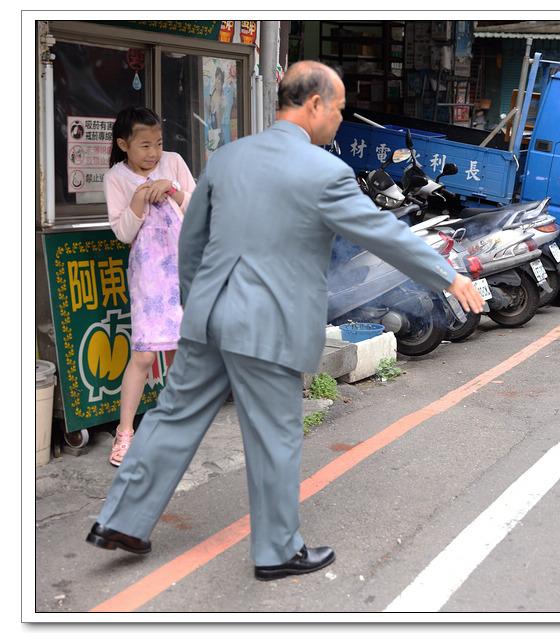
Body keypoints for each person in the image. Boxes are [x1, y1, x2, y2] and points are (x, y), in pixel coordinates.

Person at [86, 61, 486, 581]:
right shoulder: (324, 172)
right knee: (275, 434)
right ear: (314, 105)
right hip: (268, 324)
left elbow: (192, 240)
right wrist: (446, 274)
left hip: (208, 313)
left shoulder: (227, 158)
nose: (340, 120)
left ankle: (122, 521)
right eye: (339, 109)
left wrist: (195, 302)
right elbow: (381, 234)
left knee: (174, 416)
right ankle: (276, 550)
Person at [103, 106, 196, 466]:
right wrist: (139, 199)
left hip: (182, 271)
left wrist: (171, 188)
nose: (153, 153)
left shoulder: (173, 163)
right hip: (148, 277)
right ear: (123, 144)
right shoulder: (117, 178)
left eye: (157, 143)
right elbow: (124, 233)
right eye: (144, 145)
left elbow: (200, 207)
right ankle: (125, 432)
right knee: (143, 354)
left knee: (179, 353)